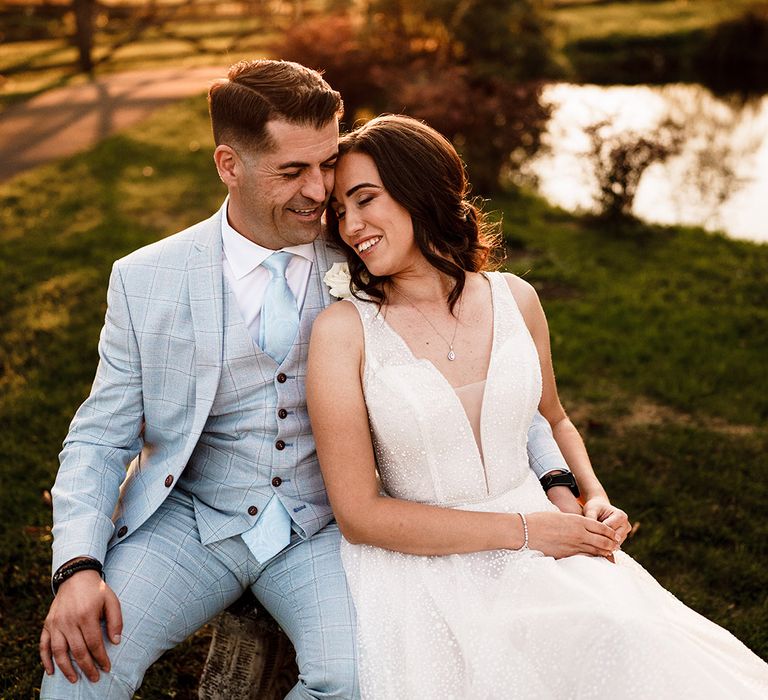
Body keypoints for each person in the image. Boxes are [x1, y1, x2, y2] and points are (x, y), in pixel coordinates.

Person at [38, 60, 597, 698]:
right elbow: (100, 437)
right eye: (292, 171)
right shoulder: (146, 279)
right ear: (229, 165)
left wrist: (558, 483)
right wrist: (77, 566)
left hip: (327, 527)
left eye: (327, 163)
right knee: (79, 670)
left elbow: (486, 375)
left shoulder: (369, 250)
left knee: (365, 680)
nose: (318, 191)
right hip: (192, 520)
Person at [306, 114, 768, 698]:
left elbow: (553, 418)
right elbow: (360, 516)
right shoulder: (344, 331)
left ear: (420, 189)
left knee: (626, 633)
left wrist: (593, 497)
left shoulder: (516, 299)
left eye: (364, 199)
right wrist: (528, 532)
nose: (350, 225)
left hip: (546, 528)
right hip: (423, 558)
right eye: (340, 212)